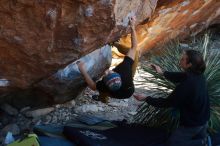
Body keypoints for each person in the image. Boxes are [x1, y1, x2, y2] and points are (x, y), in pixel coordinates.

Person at [134, 50, 210, 146]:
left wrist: (145, 98)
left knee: (172, 143)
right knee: (200, 137)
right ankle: (203, 141)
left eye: (183, 59)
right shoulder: (198, 75)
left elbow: (167, 103)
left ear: (189, 64)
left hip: (193, 124)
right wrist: (162, 72)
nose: (180, 60)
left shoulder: (186, 85)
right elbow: (179, 76)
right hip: (204, 119)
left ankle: (203, 143)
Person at [77, 16, 138, 103]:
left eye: (105, 76)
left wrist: (83, 71)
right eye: (110, 72)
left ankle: (103, 98)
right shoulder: (125, 70)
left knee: (104, 92)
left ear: (105, 82)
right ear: (117, 73)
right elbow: (134, 47)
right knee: (135, 54)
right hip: (129, 88)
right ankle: (115, 44)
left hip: (122, 93)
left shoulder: (104, 86)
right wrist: (132, 26)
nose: (106, 71)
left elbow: (93, 87)